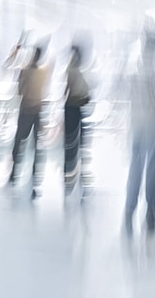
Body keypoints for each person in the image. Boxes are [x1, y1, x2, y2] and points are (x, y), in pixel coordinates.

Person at [124, 25, 155, 234]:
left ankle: (129, 209)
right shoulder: (152, 73)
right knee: (152, 170)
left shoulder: (134, 72)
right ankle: (150, 212)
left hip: (136, 126)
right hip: (151, 126)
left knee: (135, 168)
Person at [9, 44, 51, 199]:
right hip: (37, 111)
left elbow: (19, 91)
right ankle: (34, 176)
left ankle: (14, 174)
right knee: (36, 145)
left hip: (25, 110)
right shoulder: (42, 73)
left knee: (19, 142)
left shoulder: (24, 71)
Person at [63, 37, 92, 198]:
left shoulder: (73, 70)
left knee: (73, 145)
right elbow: (74, 91)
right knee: (76, 145)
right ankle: (73, 178)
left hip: (72, 110)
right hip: (75, 110)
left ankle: (71, 178)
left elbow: (68, 91)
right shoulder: (75, 70)